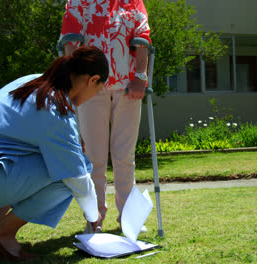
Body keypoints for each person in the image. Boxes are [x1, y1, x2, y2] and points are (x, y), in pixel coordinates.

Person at [0, 46, 108, 261]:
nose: (93, 96)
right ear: (92, 80)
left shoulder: (32, 82)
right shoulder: (55, 109)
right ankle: (3, 233)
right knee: (73, 170)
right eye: (98, 90)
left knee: (63, 163)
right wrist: (93, 216)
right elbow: (76, 177)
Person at [60, 0, 151, 232]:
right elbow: (70, 41)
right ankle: (94, 218)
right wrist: (75, 82)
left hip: (127, 87)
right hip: (91, 87)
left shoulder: (133, 2)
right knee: (93, 157)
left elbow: (143, 38)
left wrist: (141, 76)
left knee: (125, 157)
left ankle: (129, 219)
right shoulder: (78, 2)